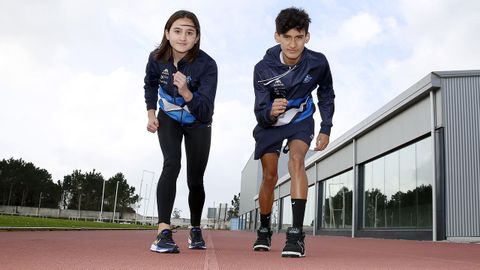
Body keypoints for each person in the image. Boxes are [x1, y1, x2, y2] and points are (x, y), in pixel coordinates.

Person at [252, 7, 335, 258]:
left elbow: (326, 93)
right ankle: (264, 229)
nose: (293, 43)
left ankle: (296, 234)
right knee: (270, 176)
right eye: (287, 37)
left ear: (307, 37)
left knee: (297, 161)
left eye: (299, 37)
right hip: (270, 125)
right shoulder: (263, 68)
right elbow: (259, 110)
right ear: (277, 36)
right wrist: (269, 112)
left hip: (301, 119)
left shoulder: (318, 62)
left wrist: (326, 127)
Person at [144, 10, 218, 254]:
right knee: (171, 163)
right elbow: (150, 83)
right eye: (177, 31)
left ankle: (195, 228)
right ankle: (163, 232)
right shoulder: (156, 58)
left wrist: (187, 93)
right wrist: (151, 114)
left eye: (189, 32)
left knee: (195, 179)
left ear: (197, 37)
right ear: (167, 33)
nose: (183, 37)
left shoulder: (207, 65)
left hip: (198, 121)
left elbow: (206, 111)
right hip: (169, 119)